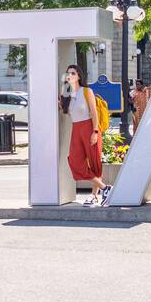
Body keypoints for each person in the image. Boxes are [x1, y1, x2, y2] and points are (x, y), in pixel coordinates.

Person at [63, 65, 110, 206]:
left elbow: (94, 113)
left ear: (79, 76)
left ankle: (94, 196)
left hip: (89, 127)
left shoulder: (86, 91)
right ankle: (105, 188)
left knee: (95, 163)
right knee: (75, 162)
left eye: (73, 73)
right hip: (76, 129)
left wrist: (95, 131)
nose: (69, 75)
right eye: (68, 73)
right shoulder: (66, 95)